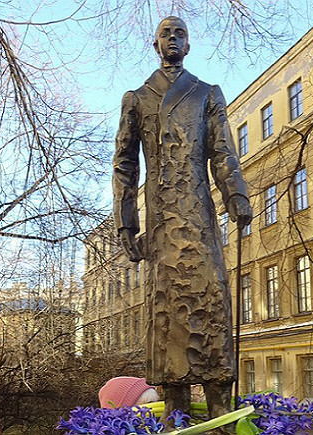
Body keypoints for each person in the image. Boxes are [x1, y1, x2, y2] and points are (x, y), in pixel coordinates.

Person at [112, 16, 252, 429]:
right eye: (166, 34)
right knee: (167, 309)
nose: (173, 39)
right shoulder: (137, 99)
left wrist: (236, 195)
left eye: (180, 34)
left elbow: (223, 151)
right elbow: (124, 164)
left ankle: (221, 409)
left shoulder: (207, 93)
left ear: (188, 45)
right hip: (159, 218)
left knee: (211, 299)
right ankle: (175, 413)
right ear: (155, 44)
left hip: (198, 211)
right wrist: (125, 222)